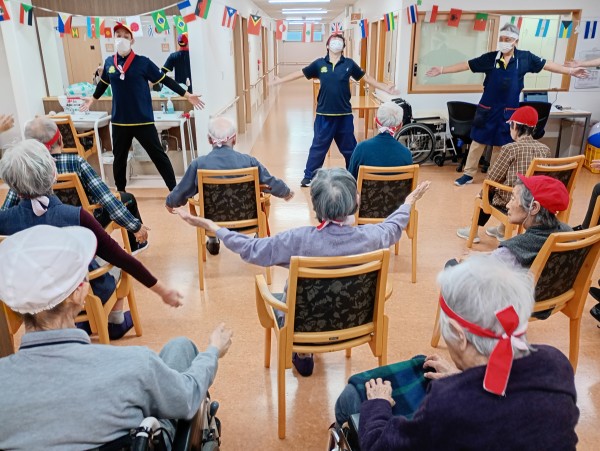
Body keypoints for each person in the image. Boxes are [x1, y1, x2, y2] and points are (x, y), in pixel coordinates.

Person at [176, 167, 430, 377]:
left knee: (280, 296)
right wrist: (408, 202)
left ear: (316, 205)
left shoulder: (298, 240)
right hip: (356, 321)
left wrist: (213, 227)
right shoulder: (371, 237)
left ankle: (303, 351)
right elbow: (393, 227)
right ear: (355, 202)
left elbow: (252, 249)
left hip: (303, 323)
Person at [0, 225, 233, 449]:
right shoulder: (134, 365)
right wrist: (212, 351)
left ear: (12, 307)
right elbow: (187, 398)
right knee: (180, 348)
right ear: (80, 292)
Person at [335, 254, 579, 450]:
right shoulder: (556, 364)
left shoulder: (447, 403)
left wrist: (377, 405)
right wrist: (464, 378)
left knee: (350, 399)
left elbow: (380, 447)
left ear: (458, 334)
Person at [0, 140, 183, 339]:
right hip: (79, 295)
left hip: (29, 301)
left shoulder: (4, 220)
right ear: (53, 174)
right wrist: (162, 290)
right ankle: (113, 321)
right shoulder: (75, 216)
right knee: (115, 262)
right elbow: (121, 258)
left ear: (13, 186)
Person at [426, 23, 588, 186]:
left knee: (501, 145)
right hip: (487, 108)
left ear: (516, 41)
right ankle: (468, 174)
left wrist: (570, 71)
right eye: (502, 39)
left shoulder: (525, 58)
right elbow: (467, 65)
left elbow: (547, 64)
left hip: (508, 110)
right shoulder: (490, 58)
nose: (504, 42)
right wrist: (442, 69)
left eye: (508, 39)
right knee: (477, 142)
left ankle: (493, 177)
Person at [81, 22, 204, 192]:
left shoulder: (143, 62)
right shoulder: (109, 62)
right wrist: (93, 98)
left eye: (126, 36)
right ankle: (121, 194)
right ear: (113, 38)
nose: (121, 39)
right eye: (118, 36)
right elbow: (103, 84)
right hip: (120, 122)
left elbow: (165, 79)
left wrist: (186, 94)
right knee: (119, 159)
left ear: (132, 40)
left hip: (142, 120)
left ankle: (174, 191)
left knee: (158, 156)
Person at [1, 117, 150, 253]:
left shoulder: (23, 170)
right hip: (82, 223)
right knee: (128, 198)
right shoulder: (76, 162)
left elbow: (6, 210)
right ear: (60, 139)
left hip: (40, 230)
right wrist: (135, 226)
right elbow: (106, 198)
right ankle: (136, 245)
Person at [271, 33, 399, 187]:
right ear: (327, 45)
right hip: (324, 114)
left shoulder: (349, 64)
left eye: (340, 41)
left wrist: (385, 87)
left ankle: (354, 174)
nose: (336, 43)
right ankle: (309, 176)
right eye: (333, 40)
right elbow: (300, 73)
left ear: (344, 46)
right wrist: (280, 81)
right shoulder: (319, 64)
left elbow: (366, 78)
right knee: (318, 147)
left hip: (344, 115)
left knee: (350, 148)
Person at [166, 116, 294, 255]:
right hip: (248, 221)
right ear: (234, 139)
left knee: (207, 204)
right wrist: (285, 192)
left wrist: (170, 202)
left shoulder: (198, 164)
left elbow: (182, 190)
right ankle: (258, 238)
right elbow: (270, 182)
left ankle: (213, 239)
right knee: (263, 200)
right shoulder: (249, 162)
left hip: (213, 224)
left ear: (209, 140)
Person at [456, 106, 551, 243]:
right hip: (536, 200)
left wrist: (481, 194)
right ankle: (501, 230)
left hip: (515, 199)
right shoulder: (545, 149)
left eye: (511, 125)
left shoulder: (510, 148)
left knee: (488, 190)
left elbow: (493, 177)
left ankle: (473, 231)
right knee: (513, 187)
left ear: (515, 126)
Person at [491, 174, 572, 268]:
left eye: (513, 198)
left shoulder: (508, 253)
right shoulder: (569, 234)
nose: (507, 205)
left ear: (534, 207)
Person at [347, 101, 413, 179]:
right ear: (400, 126)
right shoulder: (406, 154)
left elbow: (350, 179)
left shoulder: (361, 149)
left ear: (375, 122)